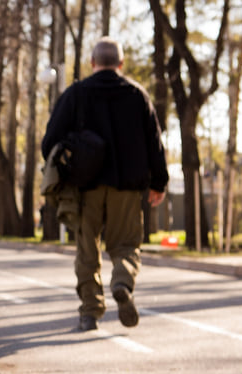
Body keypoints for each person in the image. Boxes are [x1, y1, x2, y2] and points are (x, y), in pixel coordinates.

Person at [41, 37, 169, 332]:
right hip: (127, 187)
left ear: (92, 62)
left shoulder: (76, 94)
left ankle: (90, 312)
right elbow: (155, 143)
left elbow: (49, 142)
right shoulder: (138, 96)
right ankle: (122, 282)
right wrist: (158, 183)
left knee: (88, 251)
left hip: (86, 187)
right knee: (125, 244)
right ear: (121, 64)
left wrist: (66, 164)